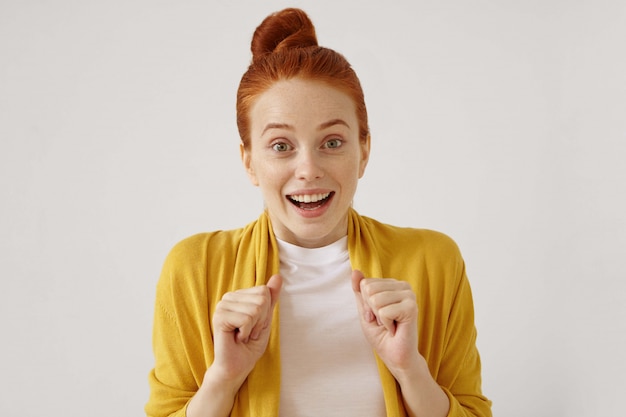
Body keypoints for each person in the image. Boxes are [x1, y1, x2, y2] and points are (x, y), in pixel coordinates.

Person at [145, 7, 491, 417]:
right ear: (249, 161)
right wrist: (224, 378)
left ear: (363, 151)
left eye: (331, 142)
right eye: (280, 145)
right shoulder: (194, 269)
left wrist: (409, 368)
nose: (308, 169)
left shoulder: (433, 261)